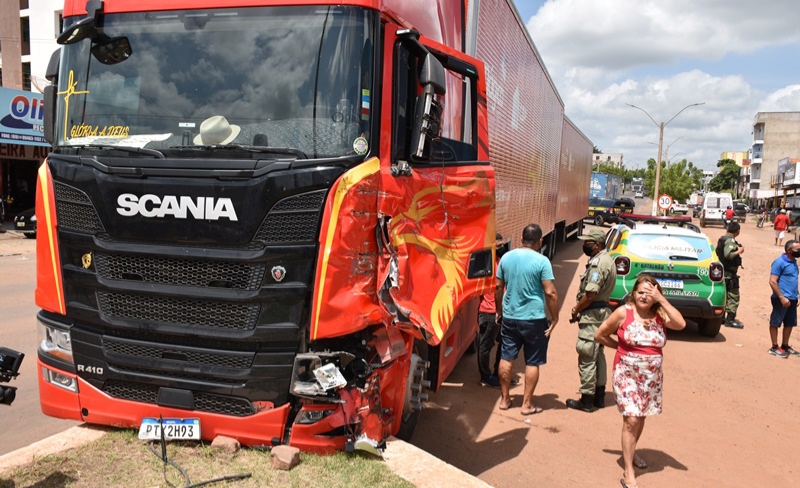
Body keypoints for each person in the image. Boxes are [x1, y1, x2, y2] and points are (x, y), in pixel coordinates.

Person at [594, 274, 686, 488]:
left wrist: (661, 300)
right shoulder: (622, 313)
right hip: (626, 374)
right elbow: (600, 334)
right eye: (641, 291)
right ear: (633, 293)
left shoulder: (660, 315)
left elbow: (680, 324)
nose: (644, 296)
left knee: (641, 416)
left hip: (651, 378)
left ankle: (631, 452)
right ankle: (628, 472)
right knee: (632, 420)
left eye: (650, 292)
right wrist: (621, 348)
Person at [495, 224, 559, 414]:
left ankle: (505, 400)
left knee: (506, 358)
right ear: (540, 241)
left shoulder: (506, 257)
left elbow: (498, 288)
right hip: (534, 319)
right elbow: (551, 293)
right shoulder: (542, 261)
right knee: (532, 361)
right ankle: (526, 405)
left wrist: (499, 311)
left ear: (522, 239)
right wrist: (554, 318)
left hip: (510, 317)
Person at [566, 228, 616, 413]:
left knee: (587, 355)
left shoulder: (597, 264)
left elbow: (591, 294)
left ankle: (586, 400)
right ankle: (599, 397)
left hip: (593, 315)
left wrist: (575, 309)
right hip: (602, 314)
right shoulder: (607, 259)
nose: (585, 246)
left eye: (587, 243)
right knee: (598, 355)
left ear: (597, 245)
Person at [477, 233, 506, 388]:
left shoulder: (500, 262)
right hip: (489, 312)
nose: (501, 248)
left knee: (503, 344)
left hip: (501, 311)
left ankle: (498, 374)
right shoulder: (486, 265)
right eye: (498, 245)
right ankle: (485, 377)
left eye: (502, 245)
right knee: (485, 346)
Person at [767, 240, 800, 358]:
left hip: (792, 298)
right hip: (781, 298)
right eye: (797, 249)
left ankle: (785, 345)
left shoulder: (794, 262)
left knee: (789, 323)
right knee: (775, 322)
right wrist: (781, 297)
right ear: (789, 250)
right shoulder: (779, 262)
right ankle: (774, 347)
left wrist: (797, 295)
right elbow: (772, 281)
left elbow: (793, 280)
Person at [717, 221, 745, 328]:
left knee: (724, 295)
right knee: (733, 296)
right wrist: (739, 251)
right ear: (737, 232)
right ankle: (730, 320)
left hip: (723, 272)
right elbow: (728, 255)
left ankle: (722, 317)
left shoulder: (722, 239)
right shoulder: (730, 241)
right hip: (728, 273)